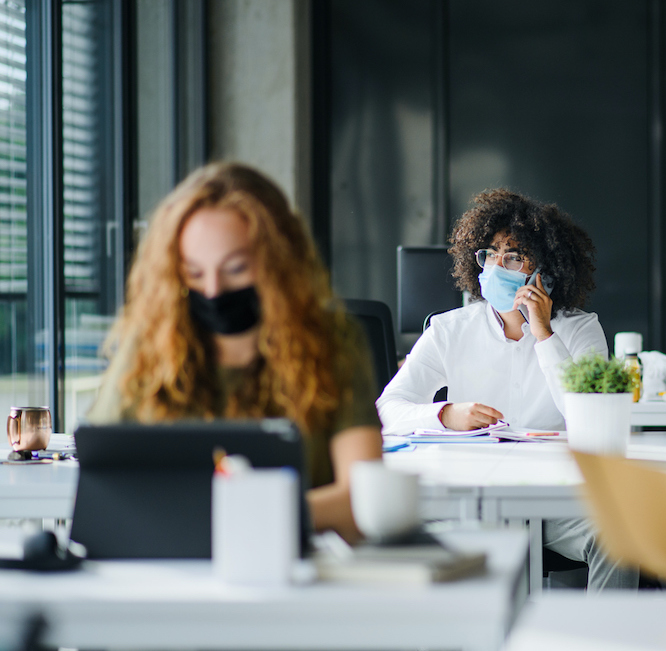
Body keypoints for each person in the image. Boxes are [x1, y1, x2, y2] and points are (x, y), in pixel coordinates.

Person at [88, 163, 383, 543]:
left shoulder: (332, 343)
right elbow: (103, 476)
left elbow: (362, 499)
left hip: (294, 572)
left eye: (236, 268)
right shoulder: (148, 349)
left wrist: (250, 518)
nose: (213, 290)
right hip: (167, 569)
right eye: (193, 273)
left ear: (279, 262)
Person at [377, 188, 638, 591]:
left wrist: (544, 333)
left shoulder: (581, 328)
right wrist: (444, 414)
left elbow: (589, 415)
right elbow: (387, 408)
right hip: (473, 498)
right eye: (490, 254)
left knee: (620, 533)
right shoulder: (450, 329)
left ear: (543, 268)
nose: (498, 266)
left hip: (555, 501)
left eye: (514, 256)